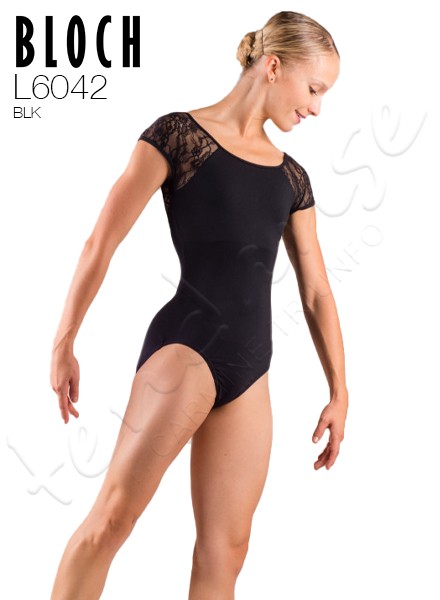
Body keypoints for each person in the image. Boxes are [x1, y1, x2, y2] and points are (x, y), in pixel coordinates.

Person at [49, 10, 347, 600]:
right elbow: (101, 241)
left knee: (225, 554)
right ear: (274, 66)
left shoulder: (292, 179)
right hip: (186, 349)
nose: (317, 108)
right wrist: (65, 341)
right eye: (314, 90)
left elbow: (316, 289)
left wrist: (340, 390)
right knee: (113, 519)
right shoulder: (177, 136)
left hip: (251, 371)